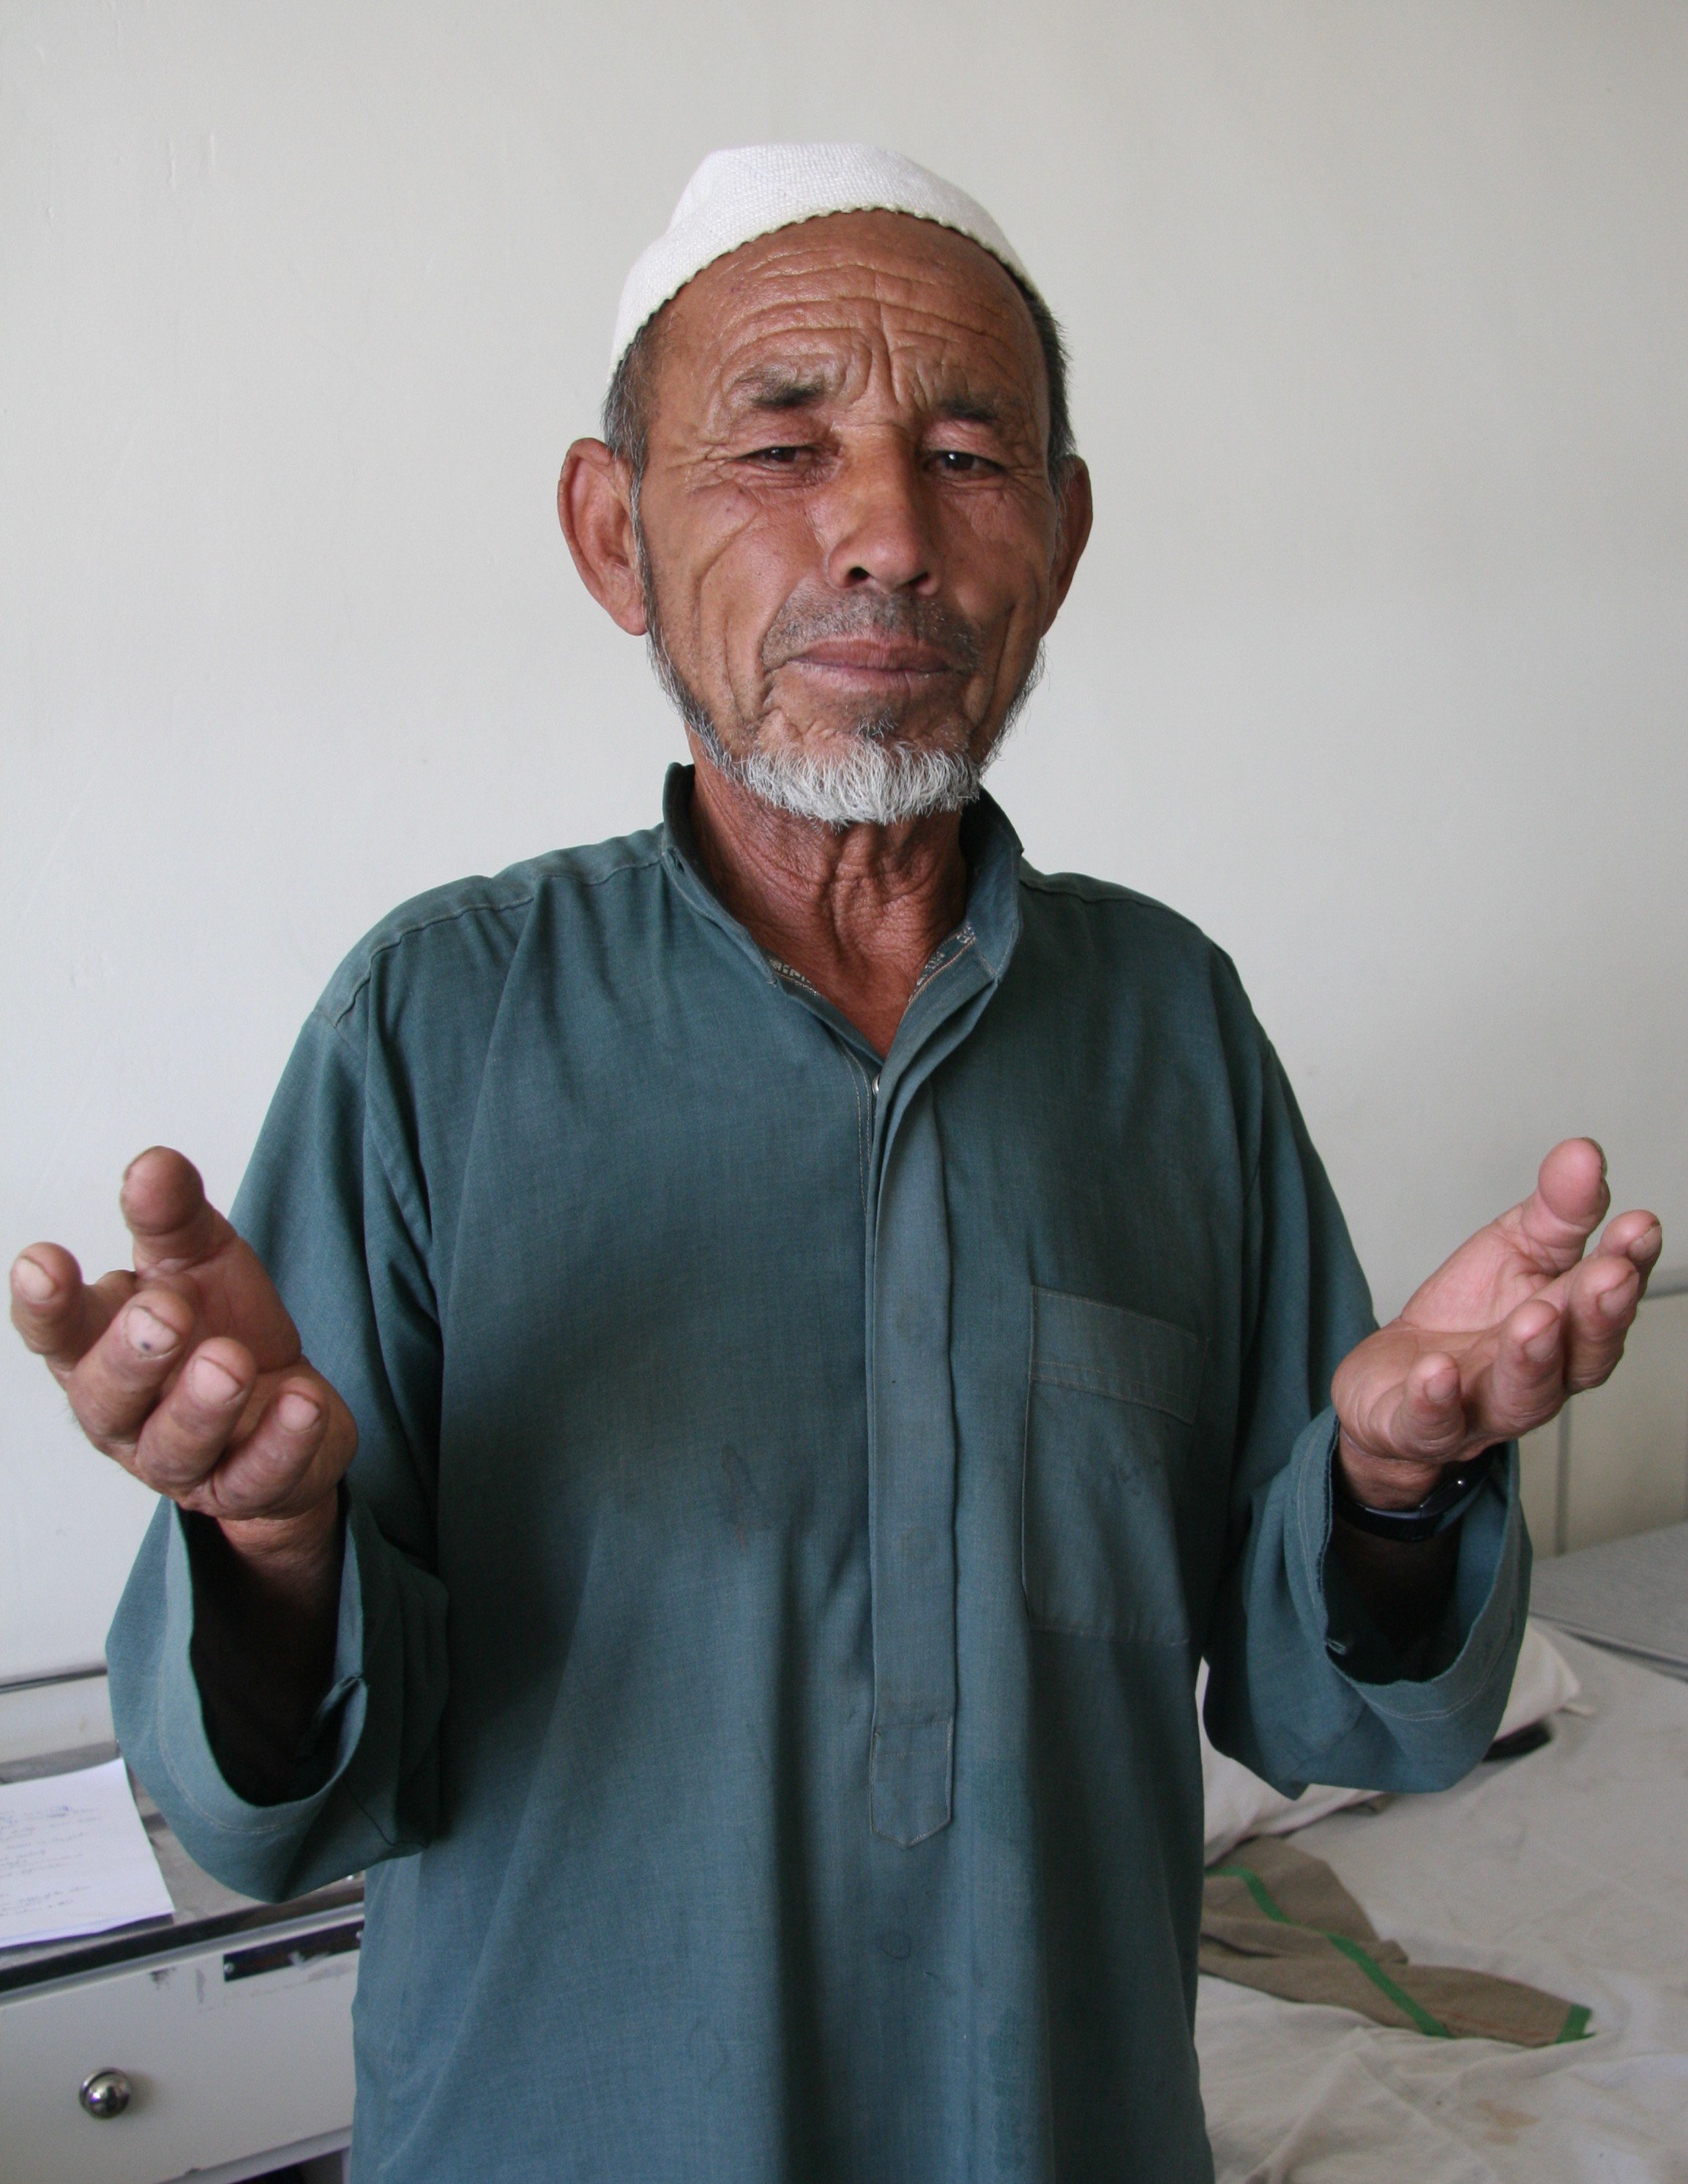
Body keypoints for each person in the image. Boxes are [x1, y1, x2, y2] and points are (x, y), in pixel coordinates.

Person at [10, 146, 1661, 2183]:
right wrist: (267, 1550)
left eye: (969, 459)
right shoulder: (435, 1024)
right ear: (612, 536)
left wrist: (1395, 1496)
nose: (883, 533)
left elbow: (1336, 1718)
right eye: (779, 448)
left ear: (1054, 542)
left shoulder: (1168, 1026)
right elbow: (276, 1810)